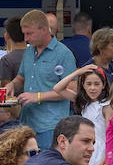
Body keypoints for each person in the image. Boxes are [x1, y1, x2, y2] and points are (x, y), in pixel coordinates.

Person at [7, 9, 77, 150]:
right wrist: (12, 84)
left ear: (44, 30)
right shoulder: (29, 51)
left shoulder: (63, 53)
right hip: (26, 123)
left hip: (50, 126)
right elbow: (21, 77)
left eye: (29, 34)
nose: (26, 39)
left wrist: (37, 96)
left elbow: (71, 90)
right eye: (24, 34)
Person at [53, 63, 113, 165]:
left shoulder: (106, 106)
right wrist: (77, 73)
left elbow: (111, 134)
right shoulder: (83, 103)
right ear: (83, 85)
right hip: (85, 149)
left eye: (97, 84)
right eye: (89, 84)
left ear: (103, 85)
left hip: (101, 151)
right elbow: (58, 88)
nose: (92, 88)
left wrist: (105, 158)